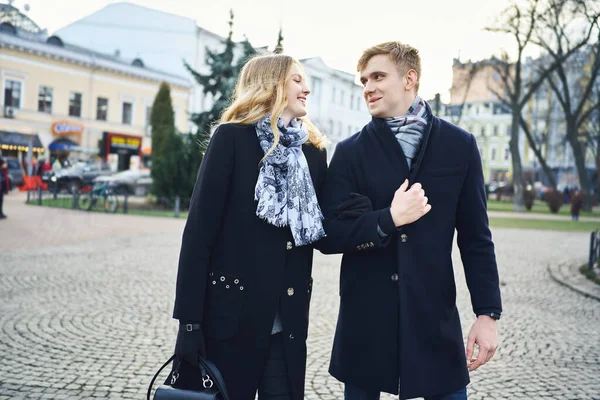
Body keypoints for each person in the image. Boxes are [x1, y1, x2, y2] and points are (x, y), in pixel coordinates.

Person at [320, 41, 502, 400]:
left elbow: (476, 237)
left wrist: (487, 314)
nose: (368, 87)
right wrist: (387, 219)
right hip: (365, 321)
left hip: (434, 317)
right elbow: (328, 235)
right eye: (363, 80)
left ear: (409, 78)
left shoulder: (459, 145)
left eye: (378, 77)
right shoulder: (350, 152)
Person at [170, 54, 328, 400]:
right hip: (229, 322)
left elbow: (328, 226)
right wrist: (189, 323)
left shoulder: (313, 154)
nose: (307, 88)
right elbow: (198, 236)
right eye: (297, 80)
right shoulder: (231, 140)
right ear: (272, 84)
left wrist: (385, 218)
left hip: (285, 327)